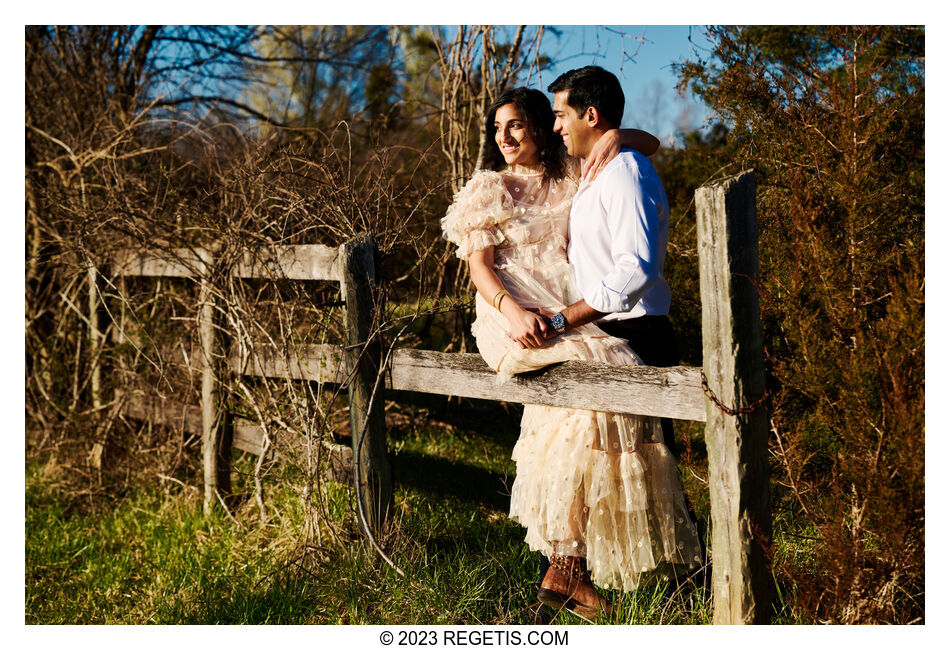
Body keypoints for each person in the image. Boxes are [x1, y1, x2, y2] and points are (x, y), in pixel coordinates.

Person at [441, 86, 702, 622]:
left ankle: (569, 568)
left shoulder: (573, 174)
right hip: (512, 309)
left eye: (515, 124)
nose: (504, 137)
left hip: (567, 311)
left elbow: (646, 143)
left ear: (543, 125)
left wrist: (618, 135)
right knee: (582, 402)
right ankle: (569, 566)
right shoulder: (492, 187)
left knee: (602, 400)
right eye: (497, 128)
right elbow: (480, 267)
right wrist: (511, 313)